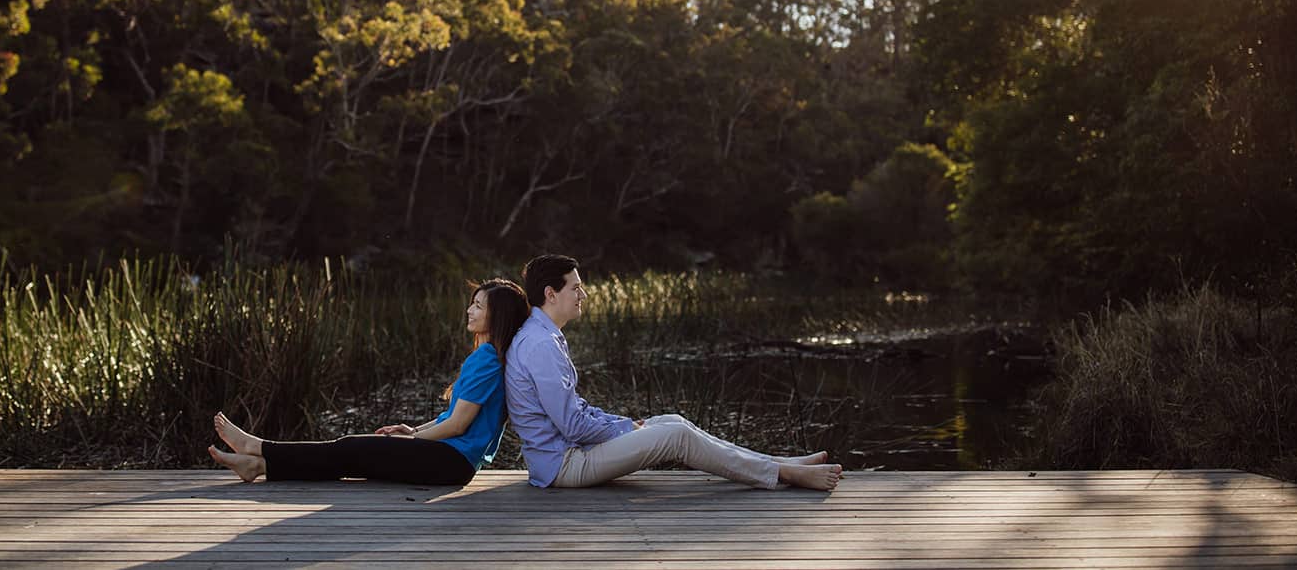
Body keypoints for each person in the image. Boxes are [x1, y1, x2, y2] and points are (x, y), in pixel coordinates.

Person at [504, 254, 845, 492]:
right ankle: (783, 474)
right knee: (676, 438)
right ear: (551, 294)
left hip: (569, 455)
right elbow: (573, 425)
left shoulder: (543, 336)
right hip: (563, 465)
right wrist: (624, 427)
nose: (584, 294)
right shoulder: (540, 344)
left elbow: (574, 411)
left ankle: (777, 462)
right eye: (575, 288)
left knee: (675, 421)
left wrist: (622, 424)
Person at [208, 277, 529, 486]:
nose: (469, 310)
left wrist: (414, 442)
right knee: (351, 453)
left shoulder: (487, 358)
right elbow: (452, 419)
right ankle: (261, 465)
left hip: (450, 461)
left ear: (496, 316)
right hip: (450, 461)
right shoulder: (491, 357)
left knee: (350, 449)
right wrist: (413, 431)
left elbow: (458, 426)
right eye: (472, 302)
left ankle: (257, 449)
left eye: (477, 305)